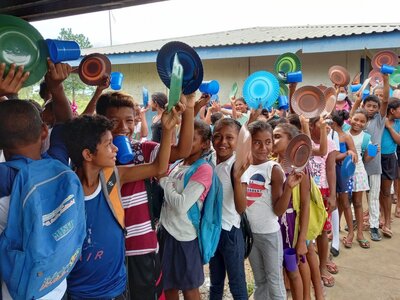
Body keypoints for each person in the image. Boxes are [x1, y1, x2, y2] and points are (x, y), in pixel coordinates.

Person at [63, 107, 180, 299]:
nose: (116, 148)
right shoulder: (67, 190)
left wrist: (167, 130)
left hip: (116, 288)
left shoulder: (113, 178)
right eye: (109, 144)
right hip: (79, 291)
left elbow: (159, 167)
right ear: (88, 154)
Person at [95, 91, 194, 300]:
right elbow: (158, 169)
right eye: (114, 122)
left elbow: (183, 151)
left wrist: (190, 108)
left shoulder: (142, 150)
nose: (123, 128)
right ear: (101, 124)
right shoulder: (99, 163)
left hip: (143, 248)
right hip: (111, 252)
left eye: (129, 120)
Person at [242, 121, 303, 300]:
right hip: (250, 234)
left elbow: (278, 210)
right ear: (249, 143)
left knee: (274, 281)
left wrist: (289, 188)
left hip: (269, 235)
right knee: (260, 281)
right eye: (257, 142)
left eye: (268, 142)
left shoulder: (273, 169)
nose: (263, 147)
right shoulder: (244, 166)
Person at [159, 119, 213, 300]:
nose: (185, 141)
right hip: (166, 232)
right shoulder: (178, 165)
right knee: (168, 285)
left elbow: (182, 205)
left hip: (185, 236)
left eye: (192, 139)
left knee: (190, 288)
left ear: (205, 144)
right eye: (183, 137)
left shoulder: (204, 169)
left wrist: (163, 180)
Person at [209, 118, 249, 300]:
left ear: (237, 141)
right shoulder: (210, 161)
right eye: (217, 136)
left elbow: (241, 208)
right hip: (212, 232)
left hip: (230, 232)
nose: (223, 142)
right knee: (215, 281)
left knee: (237, 284)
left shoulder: (238, 166)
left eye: (229, 138)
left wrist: (237, 177)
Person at [272, 123, 310, 300]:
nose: (273, 140)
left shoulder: (300, 168)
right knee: (277, 271)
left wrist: (301, 240)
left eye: (278, 136)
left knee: (293, 270)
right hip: (273, 225)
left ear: (291, 141)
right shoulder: (272, 164)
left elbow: (305, 204)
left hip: (289, 228)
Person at [350, 74, 389, 241]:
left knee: (373, 196)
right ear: (364, 106)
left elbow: (385, 100)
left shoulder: (379, 121)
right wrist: (357, 101)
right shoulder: (359, 121)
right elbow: (351, 116)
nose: (372, 108)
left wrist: (386, 79)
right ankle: (354, 221)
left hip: (373, 165)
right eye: (369, 105)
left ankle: (373, 226)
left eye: (375, 106)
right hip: (356, 165)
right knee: (354, 196)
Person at [308, 117, 338, 288]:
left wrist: (332, 194)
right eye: (322, 125)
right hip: (305, 190)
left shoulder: (331, 143)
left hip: (323, 191)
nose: (326, 128)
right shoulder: (304, 139)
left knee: (323, 231)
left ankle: (322, 265)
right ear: (311, 126)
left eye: (328, 126)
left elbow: (330, 168)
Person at [380, 98, 400, 238]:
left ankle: (387, 222)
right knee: (375, 191)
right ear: (392, 110)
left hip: (389, 158)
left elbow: (398, 141)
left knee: (386, 191)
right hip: (375, 158)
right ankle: (379, 216)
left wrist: (389, 127)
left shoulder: (397, 123)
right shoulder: (380, 119)